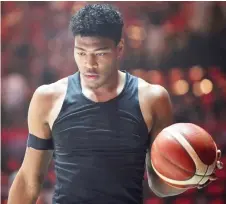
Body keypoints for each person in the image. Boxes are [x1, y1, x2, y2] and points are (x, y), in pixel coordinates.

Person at [8, 4, 223, 204]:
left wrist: (192, 174)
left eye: (100, 54)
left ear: (119, 49)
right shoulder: (47, 98)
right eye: (81, 53)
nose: (89, 64)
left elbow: (159, 184)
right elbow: (29, 180)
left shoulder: (153, 99)